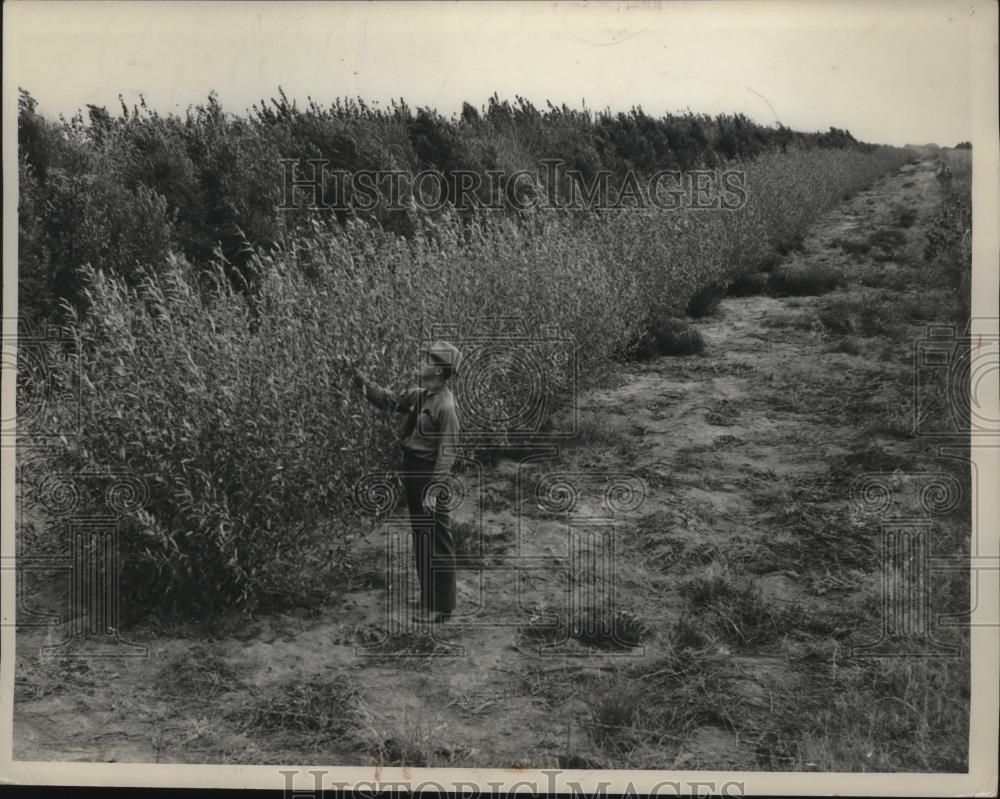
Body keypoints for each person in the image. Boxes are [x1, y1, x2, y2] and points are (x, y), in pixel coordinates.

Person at [351, 341, 462, 624]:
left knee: (436, 540)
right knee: (423, 539)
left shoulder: (445, 406)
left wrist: (435, 488)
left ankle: (441, 607)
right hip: (414, 471)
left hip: (428, 475)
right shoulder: (420, 396)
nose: (420, 362)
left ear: (438, 369)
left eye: (426, 359)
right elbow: (388, 400)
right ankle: (431, 600)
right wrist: (358, 378)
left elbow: (448, 451)